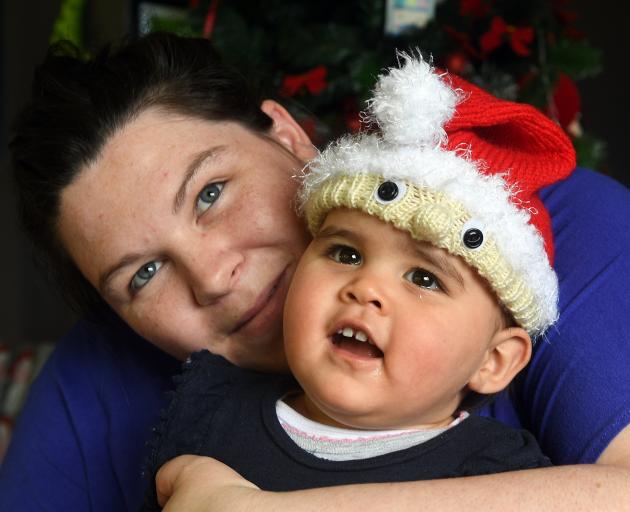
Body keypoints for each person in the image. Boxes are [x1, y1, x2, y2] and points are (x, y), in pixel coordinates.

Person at [0, 32, 629, 512]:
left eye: (211, 194)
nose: (213, 277)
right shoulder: (99, 386)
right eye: (143, 275)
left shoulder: (543, 230)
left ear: (289, 136)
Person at [141, 55, 562, 510]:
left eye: (424, 277)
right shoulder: (210, 416)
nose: (366, 288)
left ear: (494, 361)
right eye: (346, 253)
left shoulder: (498, 475)